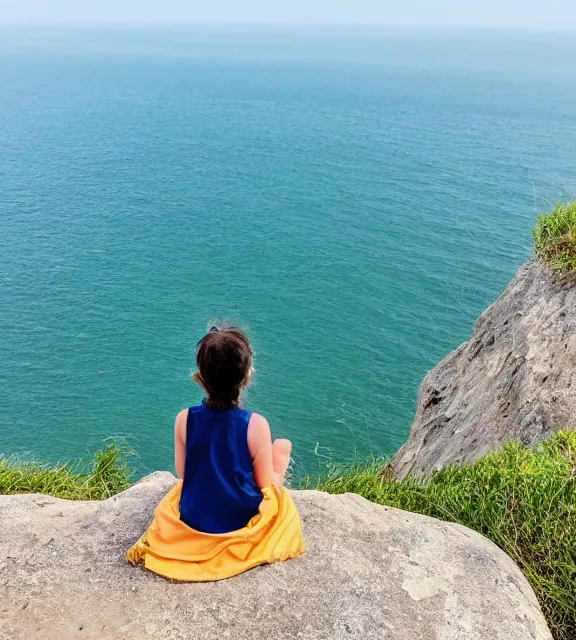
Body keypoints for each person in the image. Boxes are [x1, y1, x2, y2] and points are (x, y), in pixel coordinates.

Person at [126, 324, 305, 581]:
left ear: (200, 376)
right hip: (239, 519)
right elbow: (265, 485)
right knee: (282, 449)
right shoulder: (255, 425)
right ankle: (282, 463)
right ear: (247, 377)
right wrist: (278, 471)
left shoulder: (184, 419)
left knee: (279, 450)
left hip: (193, 515)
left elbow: (183, 472)